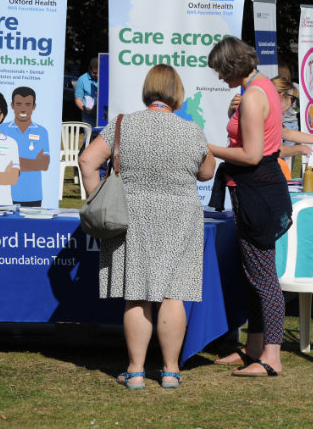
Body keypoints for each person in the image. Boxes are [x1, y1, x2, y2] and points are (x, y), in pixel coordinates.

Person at [79, 64, 215, 389]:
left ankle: (136, 370)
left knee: (136, 295)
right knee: (173, 294)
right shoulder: (191, 130)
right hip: (180, 217)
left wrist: (98, 198)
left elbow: (87, 161)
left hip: (131, 215)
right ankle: (170, 371)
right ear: (176, 93)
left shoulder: (123, 125)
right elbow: (208, 171)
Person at [208, 36, 292, 377]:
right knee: (255, 272)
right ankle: (255, 347)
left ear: (232, 66)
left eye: (220, 71)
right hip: (257, 188)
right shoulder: (259, 87)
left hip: (256, 189)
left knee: (263, 276)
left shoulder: (253, 96)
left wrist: (209, 147)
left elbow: (253, 154)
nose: (218, 78)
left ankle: (271, 356)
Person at [1, 87, 50, 206]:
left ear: (34, 106)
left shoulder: (42, 131)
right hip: (5, 194)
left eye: (28, 104)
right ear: (12, 106)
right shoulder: (1, 129)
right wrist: (34, 163)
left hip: (33, 194)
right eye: (18, 104)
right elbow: (0, 161)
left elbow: (44, 164)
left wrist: (14, 162)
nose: (23, 108)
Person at [75, 57, 99, 126]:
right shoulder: (82, 79)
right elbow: (78, 99)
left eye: (98, 72)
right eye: (94, 73)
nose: (97, 75)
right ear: (90, 69)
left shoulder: (106, 78)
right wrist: (86, 110)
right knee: (89, 135)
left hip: (103, 115)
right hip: (88, 116)